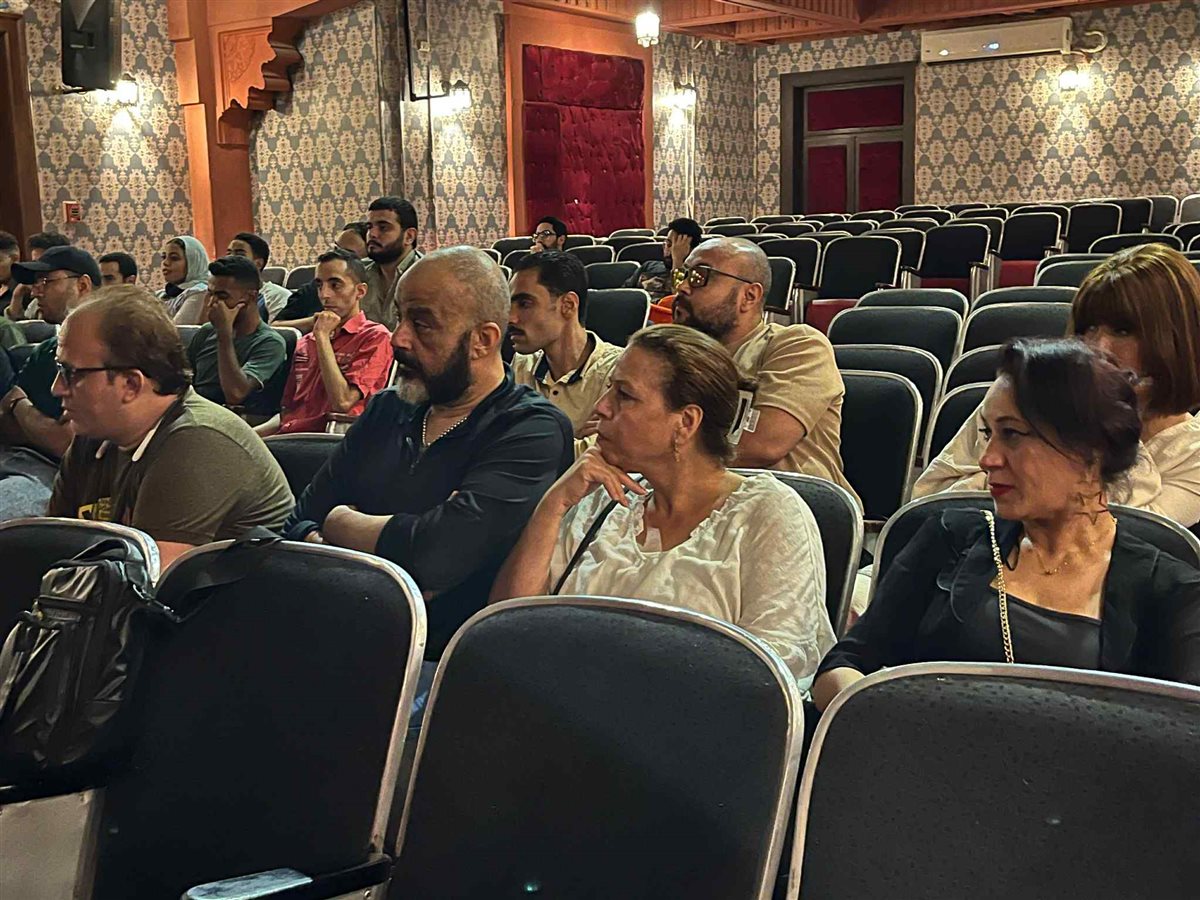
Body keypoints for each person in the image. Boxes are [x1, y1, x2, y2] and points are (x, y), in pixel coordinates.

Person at [813, 338, 1200, 711]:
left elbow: (1173, 737)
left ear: (1090, 451)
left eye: (1012, 434)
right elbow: (842, 666)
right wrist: (887, 720)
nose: (987, 459)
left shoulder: (1171, 591)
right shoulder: (949, 538)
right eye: (989, 434)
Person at [492, 324, 836, 686]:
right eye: (609, 389)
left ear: (685, 422)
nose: (601, 408)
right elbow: (504, 630)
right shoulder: (602, 498)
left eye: (624, 395)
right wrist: (554, 504)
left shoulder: (768, 515)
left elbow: (772, 677)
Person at [283, 246, 573, 656]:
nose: (399, 338)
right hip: (335, 632)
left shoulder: (530, 430)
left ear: (483, 340)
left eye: (422, 324)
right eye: (399, 317)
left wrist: (339, 521)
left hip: (444, 661)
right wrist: (392, 550)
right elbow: (297, 521)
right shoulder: (388, 409)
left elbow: (438, 555)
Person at [915, 244, 1200, 528]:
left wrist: (1112, 414)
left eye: (1122, 331)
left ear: (1175, 341)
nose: (1098, 347)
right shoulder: (1016, 400)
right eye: (1088, 329)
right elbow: (929, 500)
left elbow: (1125, 533)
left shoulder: (1192, 452)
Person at [47, 286, 293, 571]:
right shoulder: (93, 436)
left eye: (71, 373)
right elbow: (47, 553)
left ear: (131, 384)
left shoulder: (197, 444)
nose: (56, 388)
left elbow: (145, 586)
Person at [672, 236, 856, 499]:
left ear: (749, 296)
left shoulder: (800, 345)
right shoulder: (676, 358)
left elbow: (762, 445)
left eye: (700, 277)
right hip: (697, 504)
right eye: (682, 275)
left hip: (793, 507)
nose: (682, 287)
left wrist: (647, 451)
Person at [0, 246, 99, 518]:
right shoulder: (46, 350)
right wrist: (41, 425)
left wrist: (21, 407)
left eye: (45, 281)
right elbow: (6, 423)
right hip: (12, 457)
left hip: (51, 474)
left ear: (82, 285)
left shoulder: (107, 351)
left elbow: (66, 444)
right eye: (35, 284)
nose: (35, 292)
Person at [256, 248, 392, 436]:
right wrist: (250, 436)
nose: (324, 295)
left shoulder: (375, 337)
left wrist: (322, 337)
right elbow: (289, 411)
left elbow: (343, 402)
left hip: (333, 437)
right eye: (320, 285)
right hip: (291, 434)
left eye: (335, 285)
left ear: (360, 291)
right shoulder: (306, 342)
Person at [508, 251, 622, 455]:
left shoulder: (618, 371)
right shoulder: (522, 363)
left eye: (524, 304)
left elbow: (608, 455)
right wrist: (576, 441)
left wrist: (522, 441)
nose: (510, 318)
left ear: (568, 305)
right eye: (509, 306)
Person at [185, 256, 286, 420]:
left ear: (250, 297)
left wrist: (224, 334)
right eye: (210, 294)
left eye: (222, 296)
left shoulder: (270, 343)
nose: (212, 303)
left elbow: (235, 394)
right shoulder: (206, 332)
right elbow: (181, 380)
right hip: (196, 414)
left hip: (236, 421)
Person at [273, 222, 373, 332]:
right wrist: (316, 322)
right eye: (336, 248)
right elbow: (276, 326)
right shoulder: (315, 287)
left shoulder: (374, 331)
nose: (324, 294)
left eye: (346, 253)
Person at [362, 196, 421, 329]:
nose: (372, 234)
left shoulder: (428, 275)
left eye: (383, 228)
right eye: (369, 227)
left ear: (409, 236)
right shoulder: (357, 273)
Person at [627, 216, 701, 305]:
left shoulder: (697, 276)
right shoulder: (648, 267)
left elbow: (678, 300)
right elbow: (623, 296)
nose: (670, 250)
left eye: (677, 247)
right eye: (668, 244)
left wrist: (677, 260)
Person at [226, 232, 292, 323]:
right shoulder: (221, 295)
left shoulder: (277, 296)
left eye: (240, 254)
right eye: (228, 253)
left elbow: (277, 330)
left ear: (258, 264)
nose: (230, 259)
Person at [6, 231, 71, 321]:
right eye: (35, 263)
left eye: (43, 263)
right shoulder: (36, 304)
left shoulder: (82, 308)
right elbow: (19, 328)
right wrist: (17, 296)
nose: (37, 268)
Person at [156, 235, 210, 324]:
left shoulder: (200, 292)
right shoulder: (160, 294)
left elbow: (177, 329)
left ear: (193, 262)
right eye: (164, 257)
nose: (165, 263)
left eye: (174, 258)